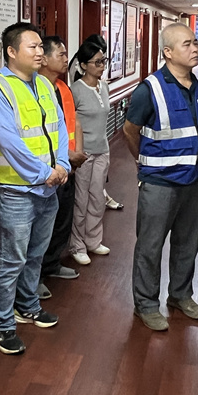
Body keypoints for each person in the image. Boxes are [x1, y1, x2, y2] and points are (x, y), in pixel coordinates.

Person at [0, 22, 69, 355]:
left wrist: (63, 164)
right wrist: (45, 173)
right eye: (33, 46)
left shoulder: (44, 84)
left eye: (41, 46)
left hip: (48, 187)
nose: (40, 52)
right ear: (11, 52)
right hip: (15, 191)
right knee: (10, 260)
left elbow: (59, 127)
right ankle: (2, 324)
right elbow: (9, 142)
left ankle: (27, 305)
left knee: (36, 254)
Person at [122, 23, 198, 331]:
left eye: (195, 42)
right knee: (150, 245)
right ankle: (146, 304)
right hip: (160, 182)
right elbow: (130, 131)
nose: (195, 48)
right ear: (168, 52)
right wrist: (144, 162)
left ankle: (180, 295)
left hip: (193, 179)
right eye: (187, 44)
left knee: (188, 243)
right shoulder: (150, 89)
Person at [36, 35, 88, 300]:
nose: (67, 59)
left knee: (63, 219)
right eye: (61, 54)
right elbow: (41, 134)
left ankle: (52, 264)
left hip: (67, 166)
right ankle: (36, 277)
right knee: (42, 226)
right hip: (47, 170)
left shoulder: (63, 88)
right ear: (44, 59)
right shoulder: (36, 89)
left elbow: (74, 122)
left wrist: (75, 156)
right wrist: (66, 158)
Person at [70, 38, 112, 265]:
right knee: (81, 200)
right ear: (84, 65)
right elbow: (70, 124)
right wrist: (75, 152)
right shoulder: (75, 90)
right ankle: (77, 245)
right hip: (83, 154)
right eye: (97, 62)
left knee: (98, 198)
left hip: (102, 150)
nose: (102, 66)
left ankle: (93, 240)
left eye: (103, 61)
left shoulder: (104, 87)